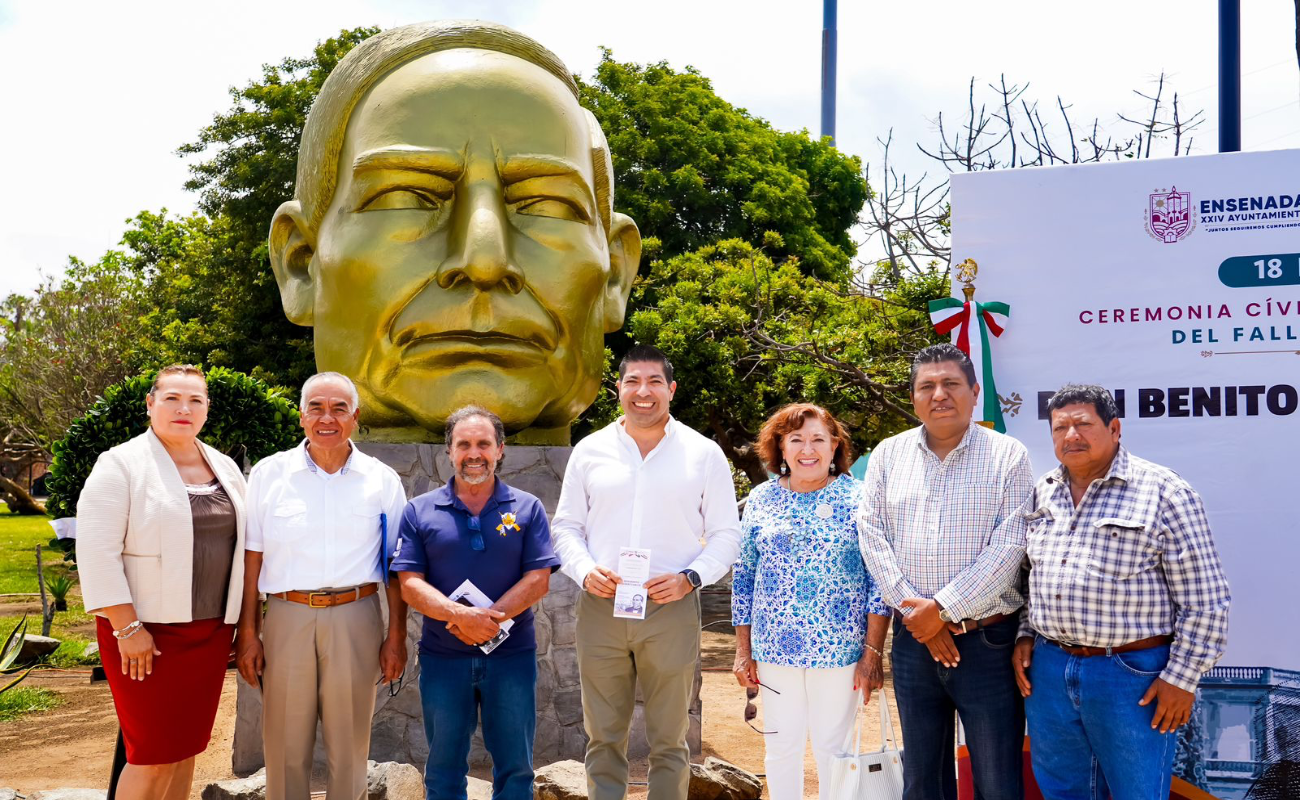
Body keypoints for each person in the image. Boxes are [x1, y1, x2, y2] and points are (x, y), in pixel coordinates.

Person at [268, 21, 641, 443]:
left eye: (546, 205)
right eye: (407, 197)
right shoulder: (269, 498)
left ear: (614, 274)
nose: (485, 262)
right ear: (301, 264)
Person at [1013, 384, 1231, 800]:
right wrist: (1026, 633)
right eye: (1060, 427)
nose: (1071, 435)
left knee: (1137, 792)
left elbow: (1206, 600)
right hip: (1051, 671)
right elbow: (1029, 577)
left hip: (1132, 675)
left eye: (1083, 424)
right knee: (1063, 790)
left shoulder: (1163, 492)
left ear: (1114, 428)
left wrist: (1181, 680)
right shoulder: (1043, 492)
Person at [552, 344, 741, 800]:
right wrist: (583, 570)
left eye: (655, 382)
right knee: (603, 737)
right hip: (601, 606)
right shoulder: (589, 450)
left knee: (670, 740)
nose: (643, 392)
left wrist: (690, 578)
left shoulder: (703, 453)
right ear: (618, 388)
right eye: (633, 381)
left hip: (670, 608)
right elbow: (566, 527)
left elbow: (726, 535)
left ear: (671, 390)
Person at [856, 343, 1034, 800]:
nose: (940, 395)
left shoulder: (1008, 456)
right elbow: (872, 537)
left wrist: (943, 610)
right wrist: (921, 619)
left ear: (975, 392)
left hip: (988, 644)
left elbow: (1010, 546)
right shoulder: (888, 455)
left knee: (997, 780)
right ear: (913, 397)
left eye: (951, 384)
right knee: (923, 779)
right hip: (914, 645)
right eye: (927, 386)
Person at [235, 372, 408, 800]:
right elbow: (251, 559)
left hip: (357, 617)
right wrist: (248, 633)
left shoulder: (382, 480)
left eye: (338, 408)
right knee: (284, 746)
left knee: (350, 747)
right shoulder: (269, 475)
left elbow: (395, 566)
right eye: (316, 407)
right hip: (286, 618)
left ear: (356, 417)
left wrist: (397, 636)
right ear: (301, 416)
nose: (326, 417)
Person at [78, 364, 248, 800]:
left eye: (195, 400)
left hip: (210, 634)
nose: (183, 409)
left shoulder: (225, 467)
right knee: (151, 755)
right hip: (145, 637)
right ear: (150, 404)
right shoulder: (120, 464)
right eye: (172, 398)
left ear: (207, 409)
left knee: (185, 749)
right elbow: (97, 553)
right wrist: (127, 628)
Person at [392, 405, 561, 800]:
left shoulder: (527, 507)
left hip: (511, 659)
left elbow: (538, 580)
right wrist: (460, 616)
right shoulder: (419, 510)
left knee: (516, 770)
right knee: (444, 770)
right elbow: (409, 583)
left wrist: (488, 621)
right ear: (448, 451)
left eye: (483, 444)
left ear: (500, 449)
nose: (474, 453)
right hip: (443, 659)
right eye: (463, 444)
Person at [731, 403, 890, 800]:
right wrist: (742, 649)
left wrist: (872, 652)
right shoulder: (761, 499)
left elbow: (879, 580)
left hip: (839, 652)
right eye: (796, 439)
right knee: (780, 750)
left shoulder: (860, 498)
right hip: (773, 650)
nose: (808, 449)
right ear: (780, 448)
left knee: (832, 753)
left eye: (818, 439)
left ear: (834, 445)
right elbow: (744, 576)